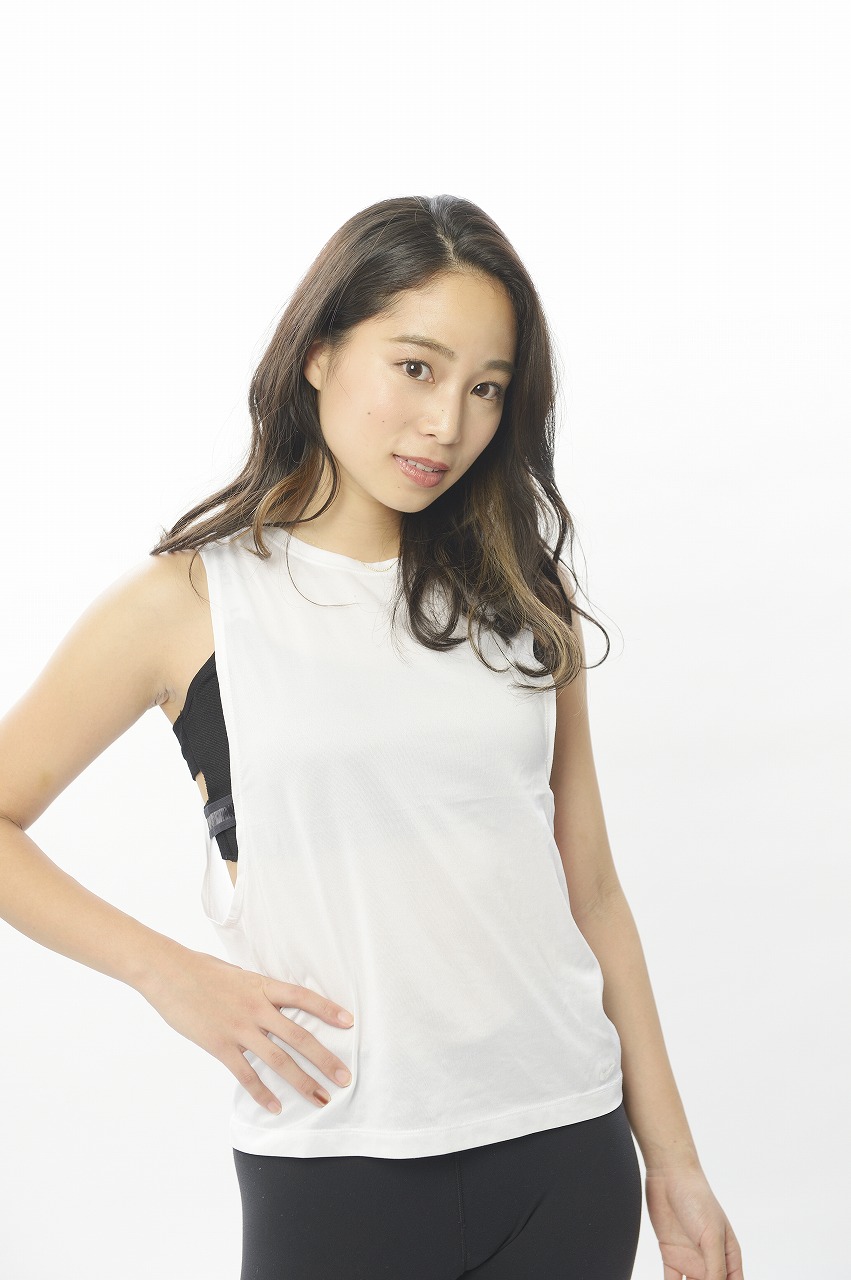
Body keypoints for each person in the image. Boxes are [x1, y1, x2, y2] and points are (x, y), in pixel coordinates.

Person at [0, 194, 745, 1280]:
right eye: (415, 367)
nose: (447, 423)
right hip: (336, 1156)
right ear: (318, 353)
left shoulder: (521, 596)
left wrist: (671, 1162)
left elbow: (589, 893)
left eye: (485, 388)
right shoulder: (191, 602)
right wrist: (166, 974)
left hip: (564, 1143)